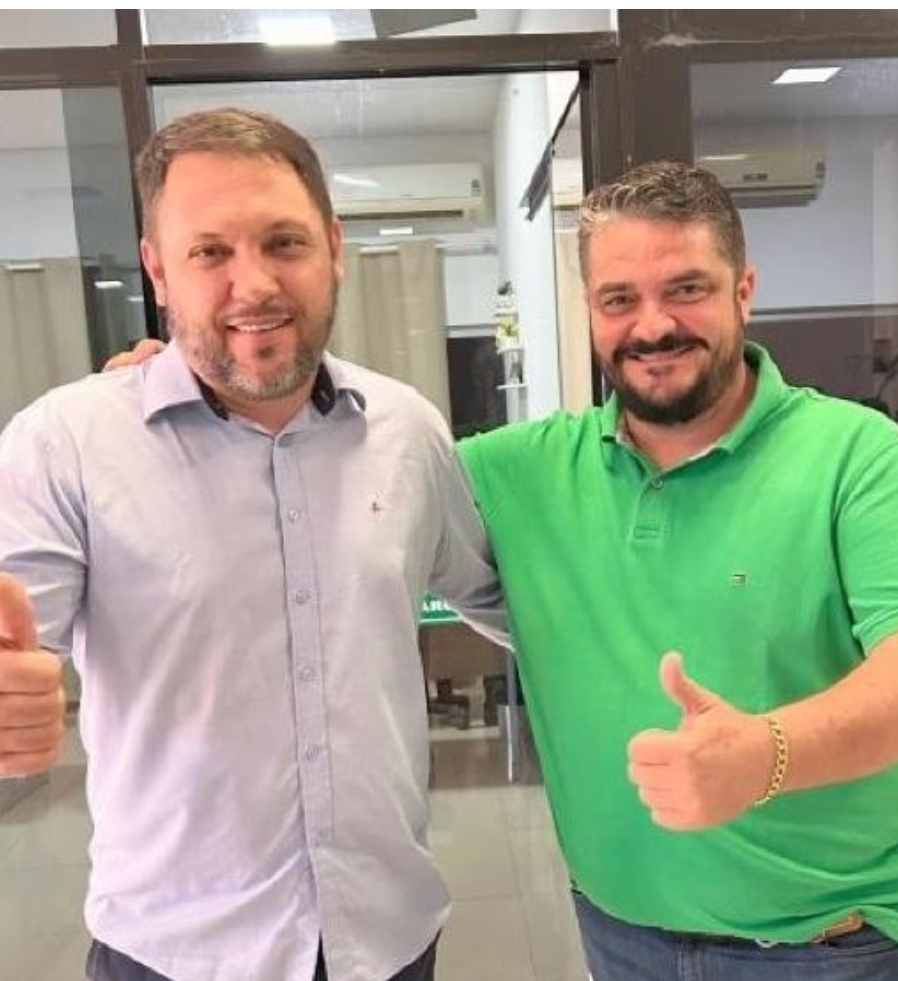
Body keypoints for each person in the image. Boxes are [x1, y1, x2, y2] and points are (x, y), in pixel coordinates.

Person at [0, 107, 505, 981]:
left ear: (333, 247)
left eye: (283, 242)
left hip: (387, 941)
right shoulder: (64, 444)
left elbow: (499, 600)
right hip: (177, 952)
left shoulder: (407, 429)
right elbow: (13, 639)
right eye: (210, 252)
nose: (255, 283)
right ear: (159, 269)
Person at [456, 159, 898, 980]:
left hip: (828, 949)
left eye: (686, 289)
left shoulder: (858, 455)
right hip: (619, 937)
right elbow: (361, 475)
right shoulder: (521, 471)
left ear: (743, 290)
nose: (653, 325)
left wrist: (764, 752)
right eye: (618, 299)